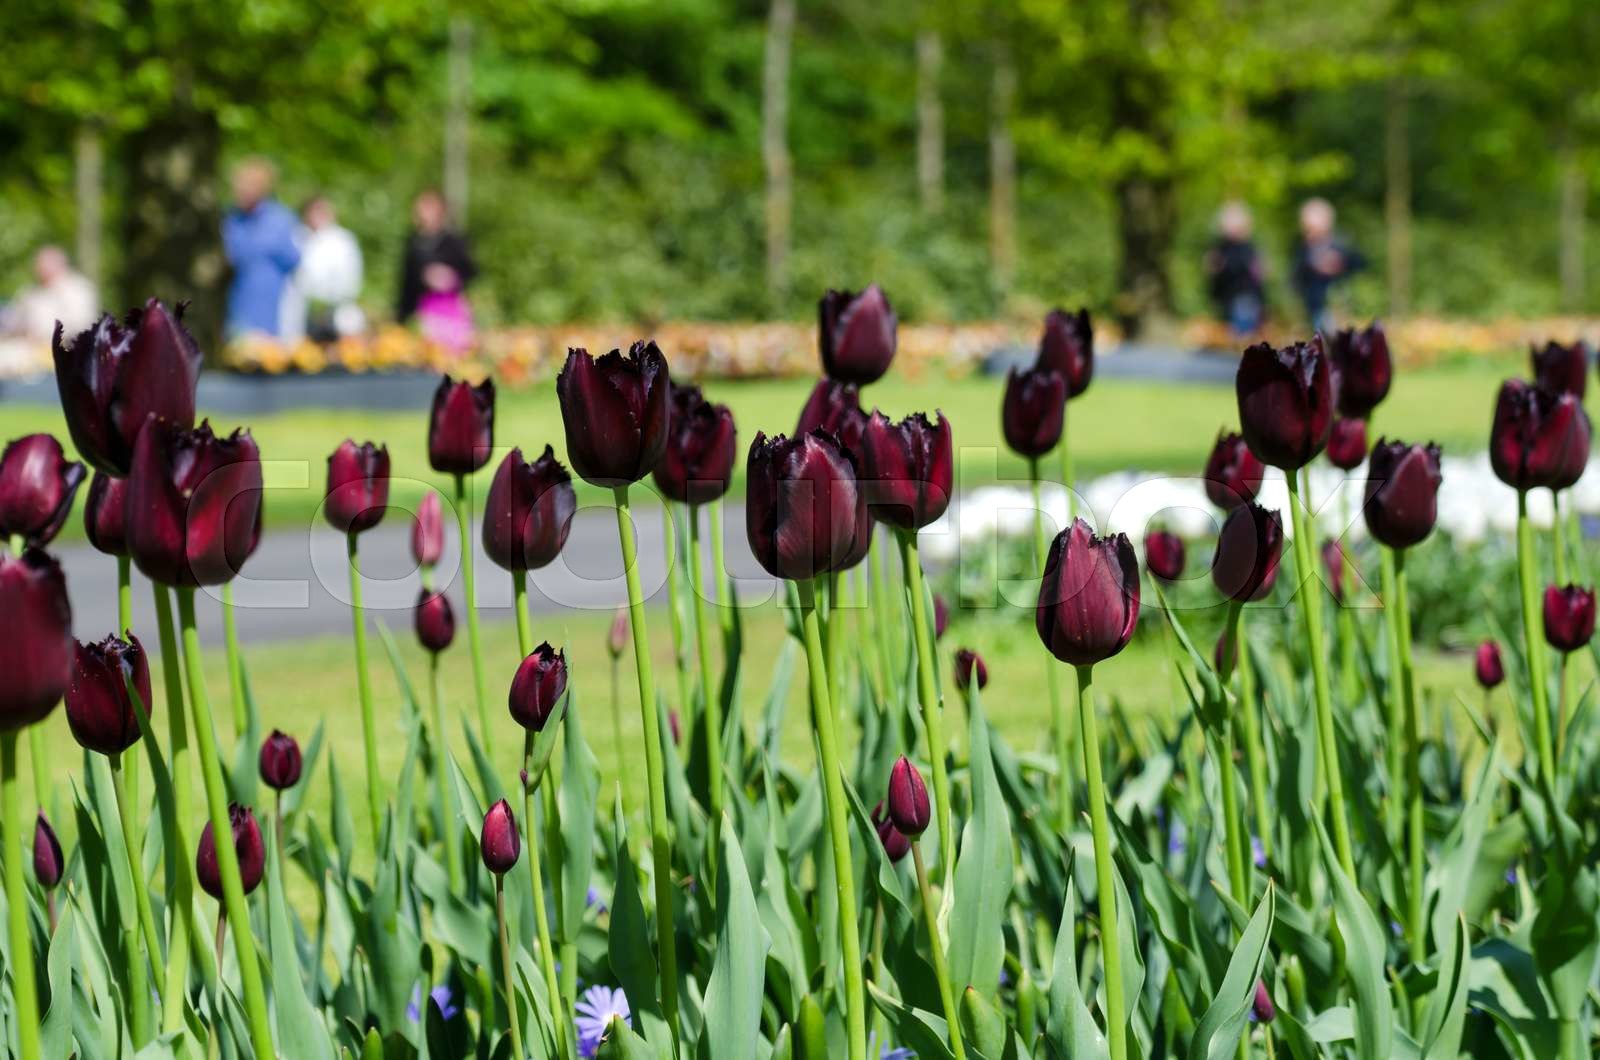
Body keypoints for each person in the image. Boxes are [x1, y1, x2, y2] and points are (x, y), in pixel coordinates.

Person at [222, 157, 301, 339]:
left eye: (246, 186)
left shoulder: (280, 219)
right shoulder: (232, 219)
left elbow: (294, 261)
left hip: (272, 309)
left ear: (261, 188)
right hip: (237, 307)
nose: (240, 191)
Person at [398, 189, 476, 353]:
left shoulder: (453, 239)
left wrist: (449, 278)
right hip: (421, 309)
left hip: (449, 310)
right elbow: (405, 281)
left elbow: (470, 272)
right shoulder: (414, 241)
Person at [281, 196, 365, 343]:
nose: (317, 215)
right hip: (302, 311)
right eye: (313, 211)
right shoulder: (297, 236)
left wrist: (328, 299)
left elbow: (351, 279)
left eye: (321, 211)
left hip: (334, 311)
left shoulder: (342, 240)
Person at [1292, 198, 1365, 334]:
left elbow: (1359, 263)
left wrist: (1339, 263)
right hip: (1315, 304)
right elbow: (1296, 276)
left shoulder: (1340, 242)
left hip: (1339, 302)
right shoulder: (1303, 247)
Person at [1204, 202, 1266, 338]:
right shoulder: (1222, 246)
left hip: (1244, 297)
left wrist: (1221, 265)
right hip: (1230, 297)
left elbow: (1244, 269)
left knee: (1243, 335)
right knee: (1234, 334)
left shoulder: (1246, 247)